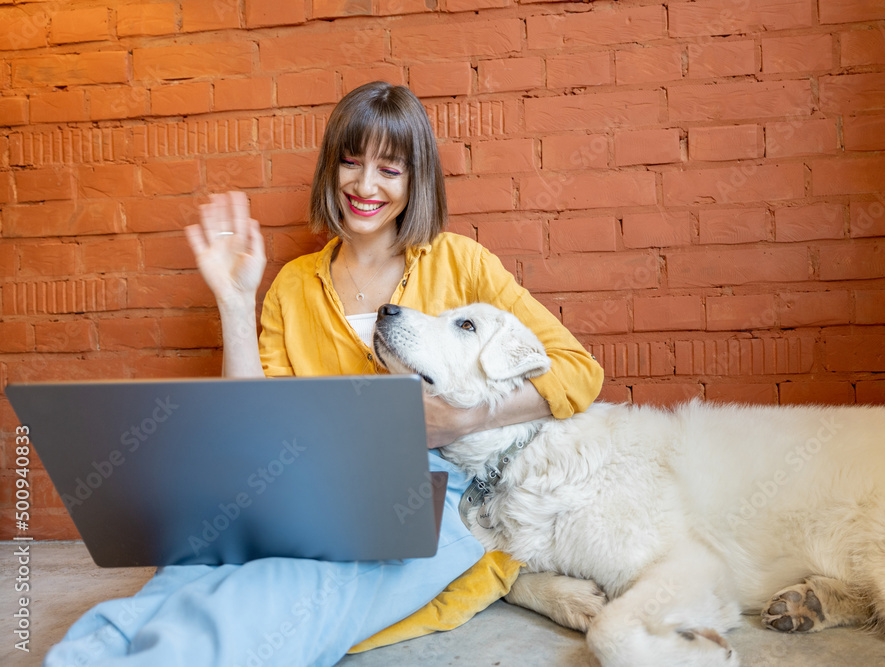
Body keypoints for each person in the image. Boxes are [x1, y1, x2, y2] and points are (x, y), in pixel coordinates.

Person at [45, 81, 603, 666]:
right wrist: (236, 301)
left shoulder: (458, 262)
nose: (365, 186)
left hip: (431, 497)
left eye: (390, 169)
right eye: (351, 162)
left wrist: (462, 416)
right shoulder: (293, 285)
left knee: (284, 596)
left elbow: (577, 371)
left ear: (416, 181)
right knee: (191, 565)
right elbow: (252, 426)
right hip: (305, 483)